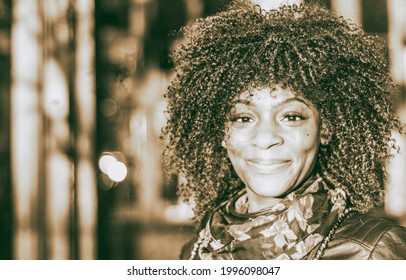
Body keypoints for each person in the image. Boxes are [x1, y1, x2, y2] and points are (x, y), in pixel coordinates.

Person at [161, 0, 406, 260]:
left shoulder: (373, 251)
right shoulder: (195, 251)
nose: (266, 138)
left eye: (291, 116)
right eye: (243, 118)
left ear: (325, 128)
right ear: (221, 133)